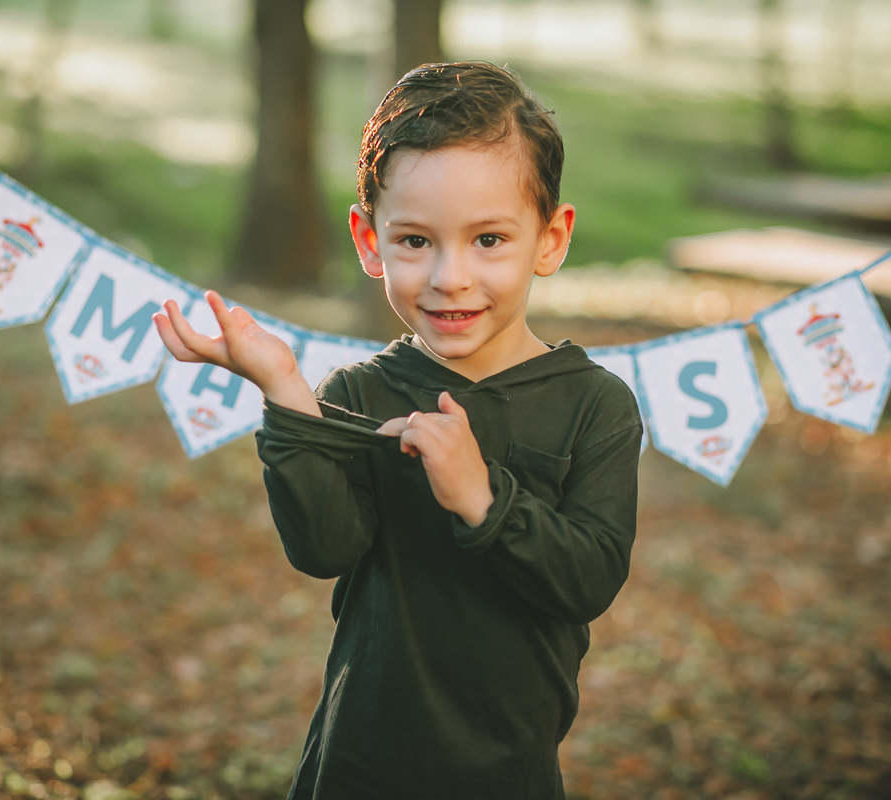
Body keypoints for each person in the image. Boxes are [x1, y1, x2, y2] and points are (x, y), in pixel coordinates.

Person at [153, 60, 642, 800]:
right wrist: (287, 392)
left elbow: (589, 580)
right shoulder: (360, 391)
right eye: (415, 241)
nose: (449, 276)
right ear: (369, 238)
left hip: (510, 774)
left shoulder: (594, 406)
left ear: (551, 237)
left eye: (488, 241)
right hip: (361, 766)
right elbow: (322, 549)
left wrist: (483, 498)